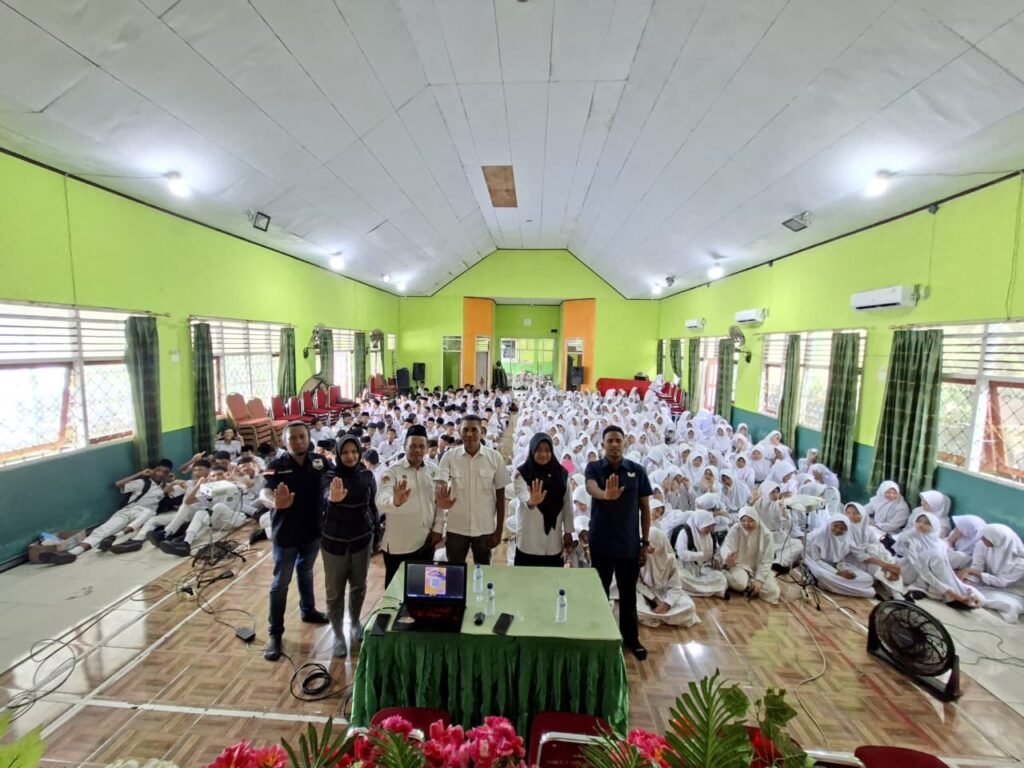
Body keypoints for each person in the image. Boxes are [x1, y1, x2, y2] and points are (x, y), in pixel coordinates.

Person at [260, 422, 330, 662]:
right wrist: (274, 503)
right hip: (286, 535)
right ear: (284, 441)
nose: (298, 441)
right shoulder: (276, 466)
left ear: (309, 438)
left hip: (312, 531)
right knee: (280, 584)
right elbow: (264, 492)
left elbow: (333, 479)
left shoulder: (319, 461)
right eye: (293, 438)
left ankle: (308, 610)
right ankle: (275, 634)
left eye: (302, 437)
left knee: (306, 571)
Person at [586, 425, 653, 661]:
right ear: (603, 444)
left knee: (628, 595)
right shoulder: (594, 468)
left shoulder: (637, 471)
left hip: (628, 545)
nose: (614, 444)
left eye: (618, 440)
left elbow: (645, 509)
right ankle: (597, 634)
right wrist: (605, 495)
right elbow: (591, 488)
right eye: (610, 441)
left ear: (624, 443)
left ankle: (631, 639)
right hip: (601, 543)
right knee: (599, 592)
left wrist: (645, 542)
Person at [41, 461, 174, 564]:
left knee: (149, 513)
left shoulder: (166, 488)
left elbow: (179, 496)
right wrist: (140, 474)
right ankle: (73, 553)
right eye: (158, 470)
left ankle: (117, 537)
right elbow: (118, 484)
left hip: (144, 515)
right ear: (153, 470)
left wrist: (173, 480)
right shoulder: (142, 482)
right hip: (129, 510)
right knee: (103, 530)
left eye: (165, 472)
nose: (160, 474)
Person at [320, 434, 377, 658]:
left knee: (358, 586)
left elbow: (372, 506)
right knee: (334, 592)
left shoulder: (367, 475)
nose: (350, 456)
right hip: (334, 543)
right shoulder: (330, 476)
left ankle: (354, 622)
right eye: (344, 452)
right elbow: (325, 495)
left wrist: (376, 533)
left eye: (354, 451)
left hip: (361, 540)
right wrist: (332, 498)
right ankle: (337, 634)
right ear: (337, 454)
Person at [434, 414, 509, 564]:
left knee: (482, 570)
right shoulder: (449, 457)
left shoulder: (495, 458)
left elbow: (500, 497)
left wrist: (499, 530)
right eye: (465, 430)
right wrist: (441, 500)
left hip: (484, 528)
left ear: (482, 431)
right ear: (459, 432)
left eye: (474, 429)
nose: (469, 434)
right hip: (456, 528)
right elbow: (440, 487)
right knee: (455, 570)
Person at [376, 425, 441, 587]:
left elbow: (440, 503)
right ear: (405, 446)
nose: (417, 450)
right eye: (412, 446)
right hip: (399, 545)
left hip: (426, 542)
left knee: (423, 589)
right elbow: (380, 501)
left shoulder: (433, 470)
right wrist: (395, 501)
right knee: (395, 592)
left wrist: (438, 529)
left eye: (421, 446)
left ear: (426, 448)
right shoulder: (392, 472)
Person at [513, 433, 574, 567]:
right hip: (529, 539)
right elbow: (521, 493)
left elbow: (567, 504)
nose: (543, 454)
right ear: (532, 451)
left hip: (553, 541)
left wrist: (568, 531)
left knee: (552, 577)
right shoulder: (521, 473)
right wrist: (531, 501)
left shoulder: (562, 474)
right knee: (525, 576)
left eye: (547, 450)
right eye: (539, 450)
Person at [959, 524, 1024, 623]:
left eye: (986, 538)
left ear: (998, 540)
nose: (982, 539)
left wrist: (973, 572)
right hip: (987, 581)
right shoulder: (982, 545)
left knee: (1009, 604)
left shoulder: (1020, 563)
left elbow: (1002, 582)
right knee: (964, 587)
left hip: (1011, 589)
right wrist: (969, 580)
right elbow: (977, 565)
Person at [636, 527, 700, 628]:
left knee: (689, 607)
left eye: (651, 545)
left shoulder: (670, 559)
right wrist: (655, 600)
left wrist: (666, 604)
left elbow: (676, 586)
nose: (648, 549)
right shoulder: (641, 556)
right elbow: (636, 582)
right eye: (647, 545)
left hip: (664, 593)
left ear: (659, 543)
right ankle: (664, 616)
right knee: (634, 608)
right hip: (645, 593)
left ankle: (655, 616)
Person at [803, 515, 877, 598]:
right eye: (835, 526)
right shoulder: (818, 536)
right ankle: (862, 591)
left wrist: (842, 570)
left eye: (842, 528)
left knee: (868, 579)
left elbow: (841, 559)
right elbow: (816, 560)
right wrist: (837, 572)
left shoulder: (846, 539)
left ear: (846, 530)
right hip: (819, 565)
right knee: (822, 576)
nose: (838, 530)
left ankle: (840, 586)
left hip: (837, 566)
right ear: (830, 524)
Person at [719, 508, 780, 604]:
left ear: (756, 519)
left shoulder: (766, 534)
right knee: (739, 584)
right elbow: (727, 546)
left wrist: (759, 580)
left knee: (773, 592)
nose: (747, 524)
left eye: (751, 521)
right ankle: (744, 582)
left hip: (758, 568)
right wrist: (727, 557)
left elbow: (767, 560)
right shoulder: (736, 529)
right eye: (743, 521)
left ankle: (751, 584)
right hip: (739, 565)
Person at [672, 510, 728, 598]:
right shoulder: (685, 533)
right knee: (679, 578)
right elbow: (682, 554)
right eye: (707, 526)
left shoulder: (711, 535)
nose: (709, 529)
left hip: (705, 568)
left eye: (711, 526)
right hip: (687, 567)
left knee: (721, 577)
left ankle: (700, 590)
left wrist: (716, 558)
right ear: (699, 523)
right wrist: (700, 555)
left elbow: (716, 550)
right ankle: (713, 591)